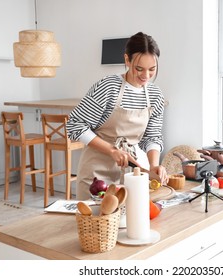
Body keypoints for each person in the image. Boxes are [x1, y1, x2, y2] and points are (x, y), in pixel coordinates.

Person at [67, 31, 168, 200]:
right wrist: (112, 150)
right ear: (127, 60)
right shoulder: (108, 87)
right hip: (96, 173)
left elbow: (152, 136)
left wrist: (154, 165)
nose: (146, 76)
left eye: (152, 69)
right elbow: (75, 125)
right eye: (139, 68)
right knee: (96, 224)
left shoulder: (155, 94)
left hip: (131, 174)